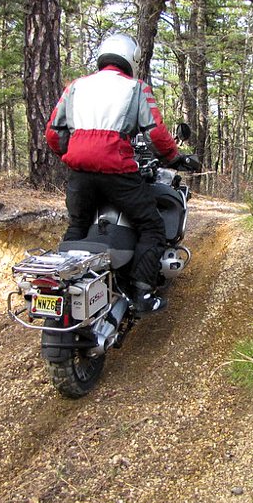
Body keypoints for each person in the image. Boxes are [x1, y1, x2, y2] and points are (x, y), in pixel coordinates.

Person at [45, 32, 179, 314]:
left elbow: (54, 133)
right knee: (151, 226)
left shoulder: (76, 87)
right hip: (117, 172)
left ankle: (66, 292)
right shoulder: (135, 88)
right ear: (131, 59)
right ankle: (142, 293)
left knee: (78, 225)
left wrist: (72, 156)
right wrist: (173, 157)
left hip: (81, 173)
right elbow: (154, 132)